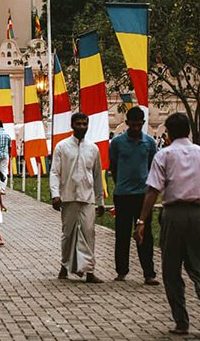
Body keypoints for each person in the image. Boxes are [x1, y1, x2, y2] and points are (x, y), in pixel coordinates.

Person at [135, 113, 200, 336]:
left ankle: (181, 321)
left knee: (171, 269)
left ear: (169, 132)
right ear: (188, 130)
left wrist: (141, 220)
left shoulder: (164, 155)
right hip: (198, 216)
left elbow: (153, 191)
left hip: (173, 215)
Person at [49, 112, 105, 283]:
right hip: (68, 196)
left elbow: (97, 176)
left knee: (89, 233)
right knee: (68, 233)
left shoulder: (93, 148)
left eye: (84, 124)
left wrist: (100, 200)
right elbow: (54, 172)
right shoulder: (62, 147)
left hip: (87, 197)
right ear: (72, 125)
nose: (82, 127)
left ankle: (89, 271)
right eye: (79, 124)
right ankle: (64, 266)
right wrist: (55, 195)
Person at [108, 106, 158, 284]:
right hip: (122, 194)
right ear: (127, 123)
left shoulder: (149, 143)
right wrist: (120, 183)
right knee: (122, 234)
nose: (136, 128)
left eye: (139, 125)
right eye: (133, 125)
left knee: (145, 234)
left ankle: (148, 273)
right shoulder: (117, 143)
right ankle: (121, 271)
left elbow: (153, 166)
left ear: (143, 123)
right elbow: (113, 166)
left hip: (143, 195)